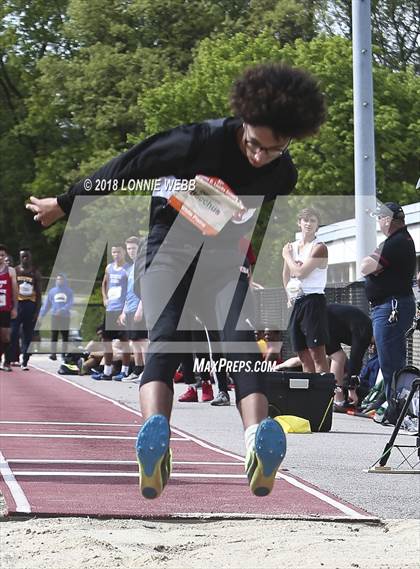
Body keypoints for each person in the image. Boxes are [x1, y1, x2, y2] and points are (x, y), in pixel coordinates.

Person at [26, 63, 326, 498]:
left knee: (238, 340)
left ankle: (257, 442)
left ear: (290, 141)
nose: (260, 156)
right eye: (254, 144)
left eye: (273, 149)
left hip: (222, 261)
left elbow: (245, 220)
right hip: (167, 251)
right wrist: (66, 201)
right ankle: (156, 434)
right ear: (243, 122)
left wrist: (244, 264)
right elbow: (127, 166)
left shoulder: (283, 173)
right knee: (165, 339)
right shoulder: (198, 140)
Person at [361, 202, 416, 402]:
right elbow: (367, 266)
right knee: (389, 360)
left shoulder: (396, 241)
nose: (379, 223)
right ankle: (394, 405)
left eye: (380, 219)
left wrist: (371, 264)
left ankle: (397, 408)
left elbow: (366, 266)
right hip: (390, 305)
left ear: (388, 219)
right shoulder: (396, 240)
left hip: (392, 306)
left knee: (391, 362)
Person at [282, 207, 329, 373]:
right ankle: (309, 395)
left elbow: (300, 272)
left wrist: (287, 256)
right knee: (302, 354)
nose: (309, 224)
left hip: (313, 301)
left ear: (318, 225)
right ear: (299, 223)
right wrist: (289, 296)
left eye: (313, 221)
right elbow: (286, 274)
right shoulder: (292, 247)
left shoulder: (319, 247)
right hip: (297, 302)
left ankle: (324, 396)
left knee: (317, 354)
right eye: (306, 220)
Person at [92, 244, 130, 381]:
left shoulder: (128, 269)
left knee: (124, 340)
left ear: (123, 253)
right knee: (106, 340)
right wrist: (104, 298)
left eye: (118, 252)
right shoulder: (109, 267)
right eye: (113, 252)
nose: (116, 255)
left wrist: (126, 307)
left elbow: (131, 290)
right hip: (110, 309)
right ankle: (107, 371)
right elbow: (104, 284)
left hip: (121, 310)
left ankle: (125, 371)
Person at [325, 303, 373, 411]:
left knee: (338, 356)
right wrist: (352, 389)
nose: (372, 347)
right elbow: (355, 360)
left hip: (326, 320)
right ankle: (338, 400)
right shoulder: (366, 330)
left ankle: (336, 399)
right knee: (338, 357)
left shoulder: (364, 326)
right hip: (324, 320)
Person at [5, 248, 41, 370]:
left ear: (30, 257)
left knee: (27, 335)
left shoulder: (35, 272)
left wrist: (37, 312)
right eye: (23, 257)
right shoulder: (15, 271)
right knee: (13, 333)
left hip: (30, 305)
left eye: (27, 256)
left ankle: (25, 361)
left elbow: (39, 293)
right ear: (20, 258)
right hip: (17, 305)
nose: (25, 258)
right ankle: (9, 359)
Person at [119, 236, 149, 383]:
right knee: (134, 341)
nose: (131, 251)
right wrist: (124, 310)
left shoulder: (143, 265)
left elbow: (145, 288)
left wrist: (140, 308)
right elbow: (128, 291)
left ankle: (147, 371)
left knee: (143, 341)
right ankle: (137, 370)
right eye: (129, 248)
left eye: (133, 248)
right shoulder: (130, 268)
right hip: (129, 308)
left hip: (139, 308)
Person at [39, 273, 74, 360]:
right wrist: (41, 315)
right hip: (54, 316)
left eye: (61, 279)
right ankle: (53, 354)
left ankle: (63, 354)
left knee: (65, 335)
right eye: (58, 279)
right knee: (54, 335)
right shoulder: (52, 291)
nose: (59, 281)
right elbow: (47, 305)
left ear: (64, 280)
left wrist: (62, 310)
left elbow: (70, 303)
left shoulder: (69, 291)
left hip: (65, 316)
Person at [0, 245, 18, 371]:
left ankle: (7, 361)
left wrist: (15, 307)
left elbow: (15, 290)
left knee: (6, 336)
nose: (0, 257)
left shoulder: (10, 271)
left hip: (5, 308)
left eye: (2, 255)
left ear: (5, 256)